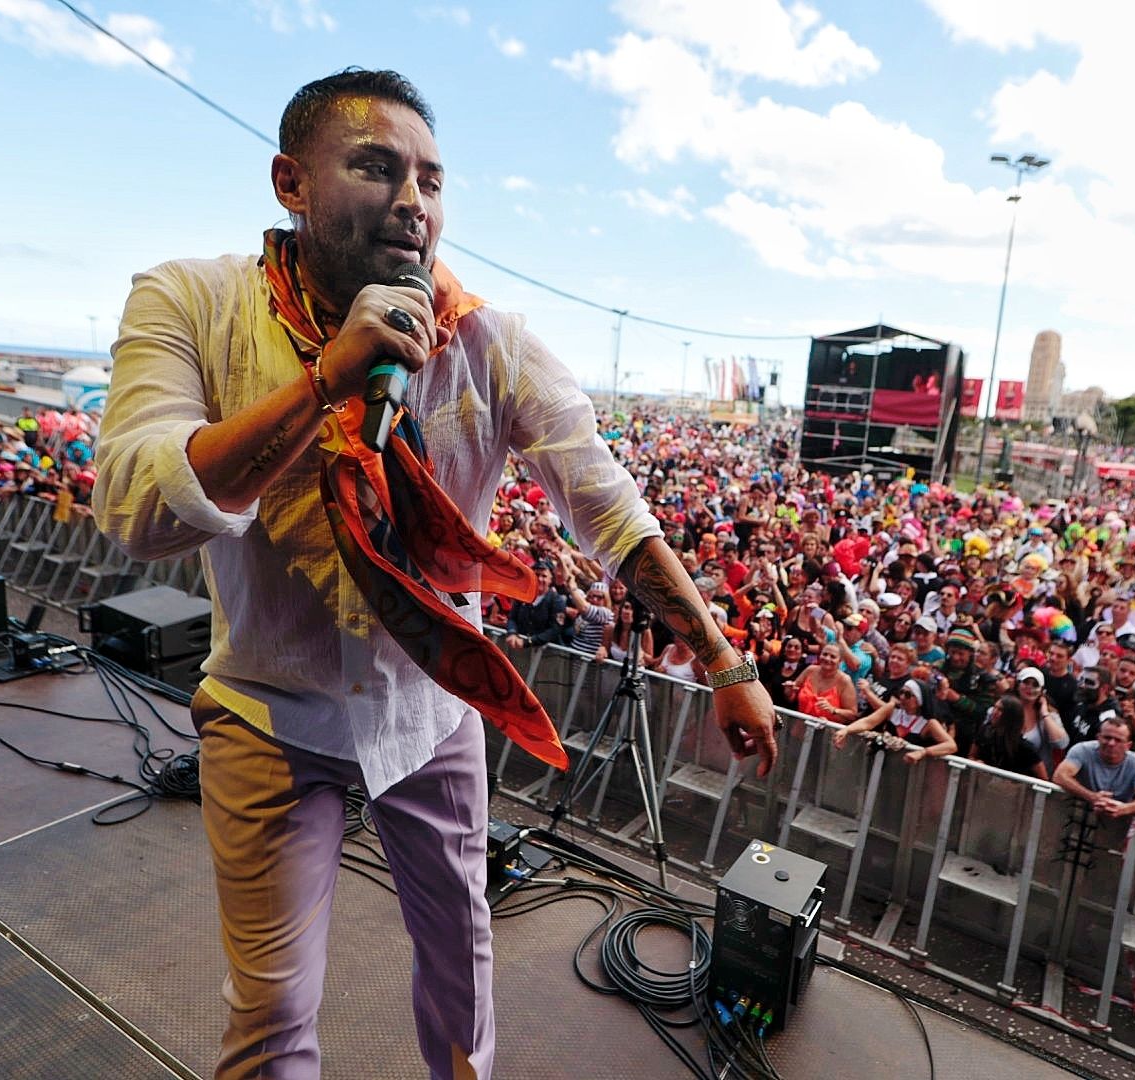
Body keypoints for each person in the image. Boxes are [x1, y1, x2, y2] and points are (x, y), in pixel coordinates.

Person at [94, 69, 774, 1080]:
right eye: (376, 166)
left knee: (462, 972)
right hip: (267, 713)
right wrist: (325, 383)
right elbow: (138, 506)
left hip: (431, 712)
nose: (415, 201)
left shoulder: (489, 340)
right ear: (291, 180)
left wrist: (722, 660)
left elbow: (603, 501)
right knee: (272, 1016)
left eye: (433, 179)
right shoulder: (187, 300)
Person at [1053, 718, 1135, 819]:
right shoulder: (1082, 750)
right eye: (1107, 737)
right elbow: (1060, 776)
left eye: (1118, 740)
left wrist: (1124, 809)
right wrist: (1091, 796)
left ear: (1128, 745)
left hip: (1115, 823)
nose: (1111, 743)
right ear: (1098, 737)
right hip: (1074, 813)